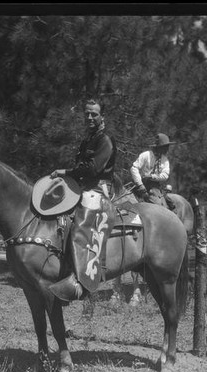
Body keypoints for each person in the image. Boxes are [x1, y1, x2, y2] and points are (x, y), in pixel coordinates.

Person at [48, 99, 117, 301]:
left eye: (94, 114)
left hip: (98, 188)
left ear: (102, 116)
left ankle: (81, 282)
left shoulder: (105, 140)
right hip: (82, 186)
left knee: (82, 223)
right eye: (87, 113)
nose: (89, 117)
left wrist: (66, 171)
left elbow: (93, 169)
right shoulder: (88, 139)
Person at [130, 133, 176, 211]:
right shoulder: (146, 155)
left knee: (162, 209)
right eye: (165, 147)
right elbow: (134, 168)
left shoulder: (165, 160)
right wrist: (140, 184)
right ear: (159, 147)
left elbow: (165, 175)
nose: (167, 149)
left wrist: (152, 176)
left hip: (154, 187)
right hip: (139, 185)